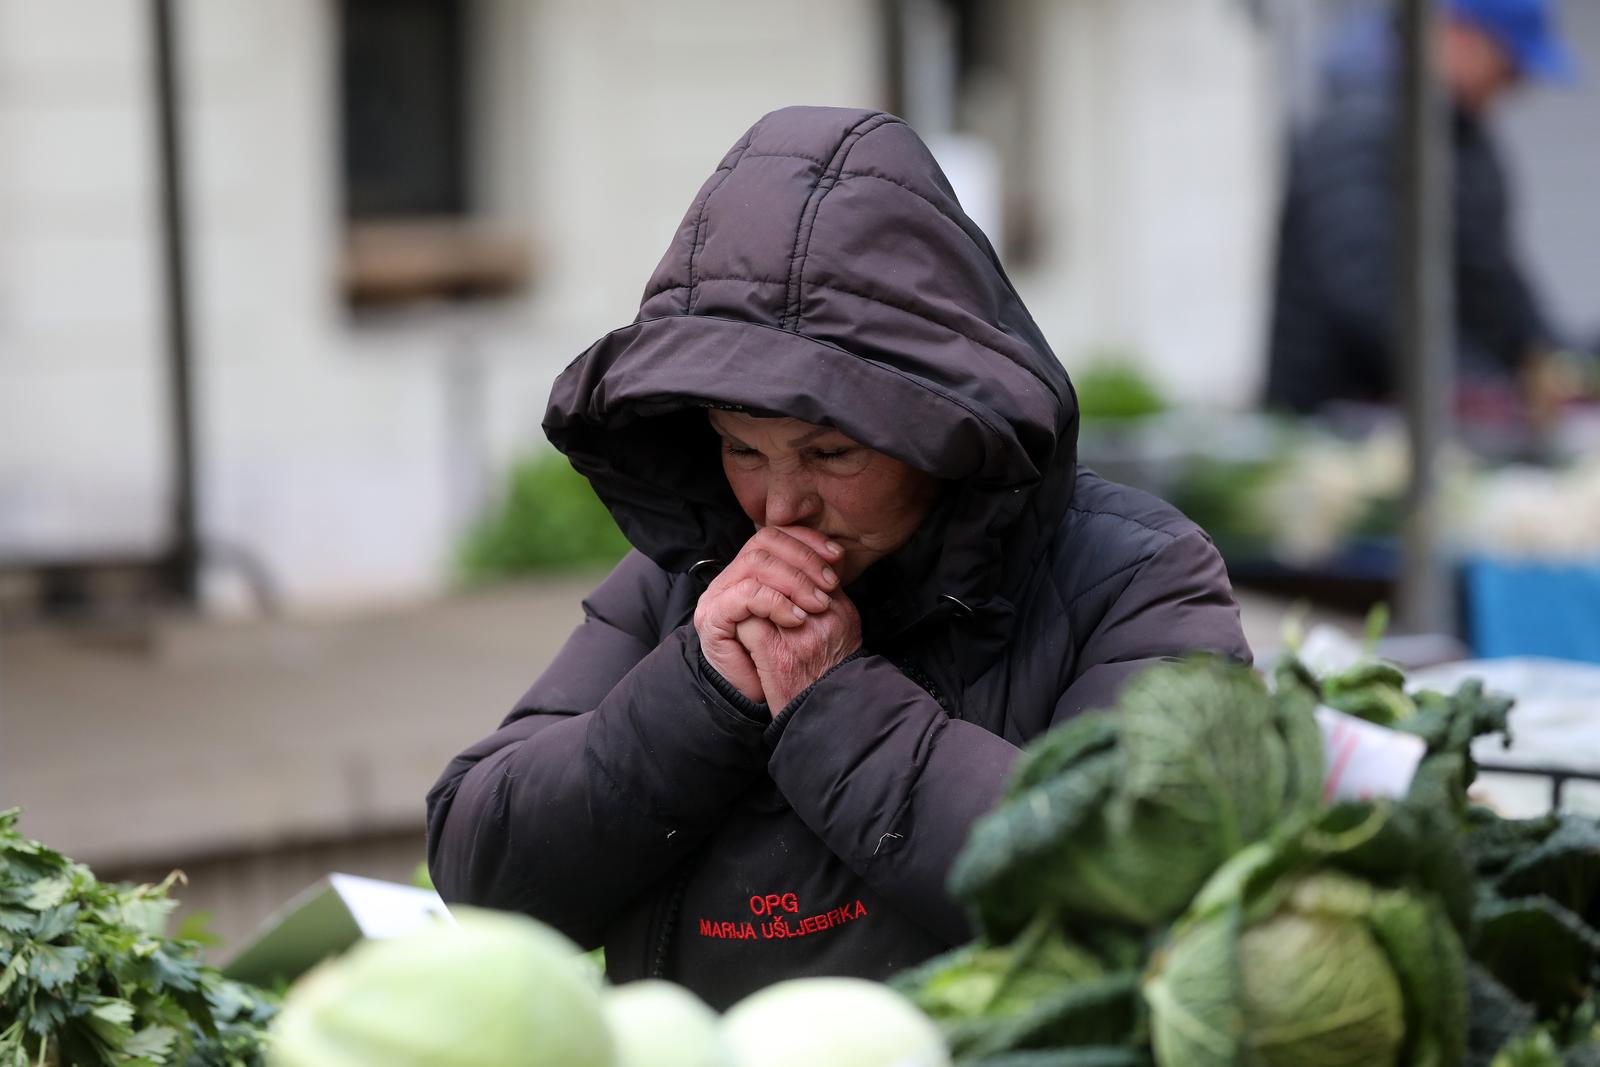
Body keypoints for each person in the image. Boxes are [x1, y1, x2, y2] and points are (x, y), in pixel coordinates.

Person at [426, 106, 1250, 1008]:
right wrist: (699, 691)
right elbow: (484, 872)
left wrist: (837, 705)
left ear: (942, 430)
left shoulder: (1136, 577)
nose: (779, 506)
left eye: (829, 454)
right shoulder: (685, 584)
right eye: (742, 449)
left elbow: (1147, 882)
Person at [1264, 0, 1576, 416]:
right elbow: (1368, 289)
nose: (1516, 84)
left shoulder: (1462, 139)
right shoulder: (1360, 128)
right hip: (1343, 420)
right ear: (1458, 36)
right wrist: (1480, 391)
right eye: (1509, 64)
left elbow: (1494, 278)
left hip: (1430, 415)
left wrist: (1551, 355)